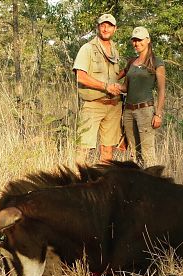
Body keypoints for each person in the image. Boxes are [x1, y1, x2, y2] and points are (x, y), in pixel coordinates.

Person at [73, 13, 122, 163]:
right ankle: (78, 183)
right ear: (98, 28)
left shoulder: (115, 51)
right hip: (93, 105)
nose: (106, 28)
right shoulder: (87, 48)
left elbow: (114, 77)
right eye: (103, 25)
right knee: (83, 148)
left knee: (108, 149)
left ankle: (103, 184)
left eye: (109, 25)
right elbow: (80, 76)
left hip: (113, 106)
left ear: (115, 29)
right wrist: (105, 87)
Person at [120, 26, 166, 167]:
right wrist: (111, 86)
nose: (136, 43)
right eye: (134, 40)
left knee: (148, 152)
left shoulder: (156, 62)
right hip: (128, 111)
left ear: (148, 40)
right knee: (134, 152)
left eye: (139, 40)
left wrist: (158, 114)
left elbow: (161, 89)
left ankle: (154, 184)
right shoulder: (131, 62)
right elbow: (125, 87)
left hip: (145, 111)